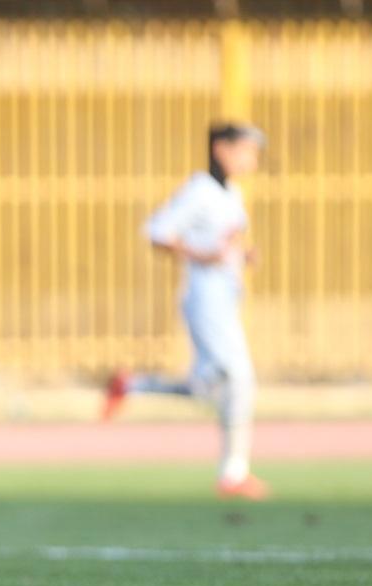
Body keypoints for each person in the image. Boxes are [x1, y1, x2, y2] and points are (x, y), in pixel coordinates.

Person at [103, 122, 269, 500]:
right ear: (221, 149)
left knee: (209, 388)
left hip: (226, 299)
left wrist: (241, 256)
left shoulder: (232, 193)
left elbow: (221, 245)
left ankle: (131, 385)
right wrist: (202, 255)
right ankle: (233, 474)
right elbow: (157, 231)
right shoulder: (200, 190)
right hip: (205, 299)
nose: (252, 160)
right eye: (246, 151)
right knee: (239, 378)